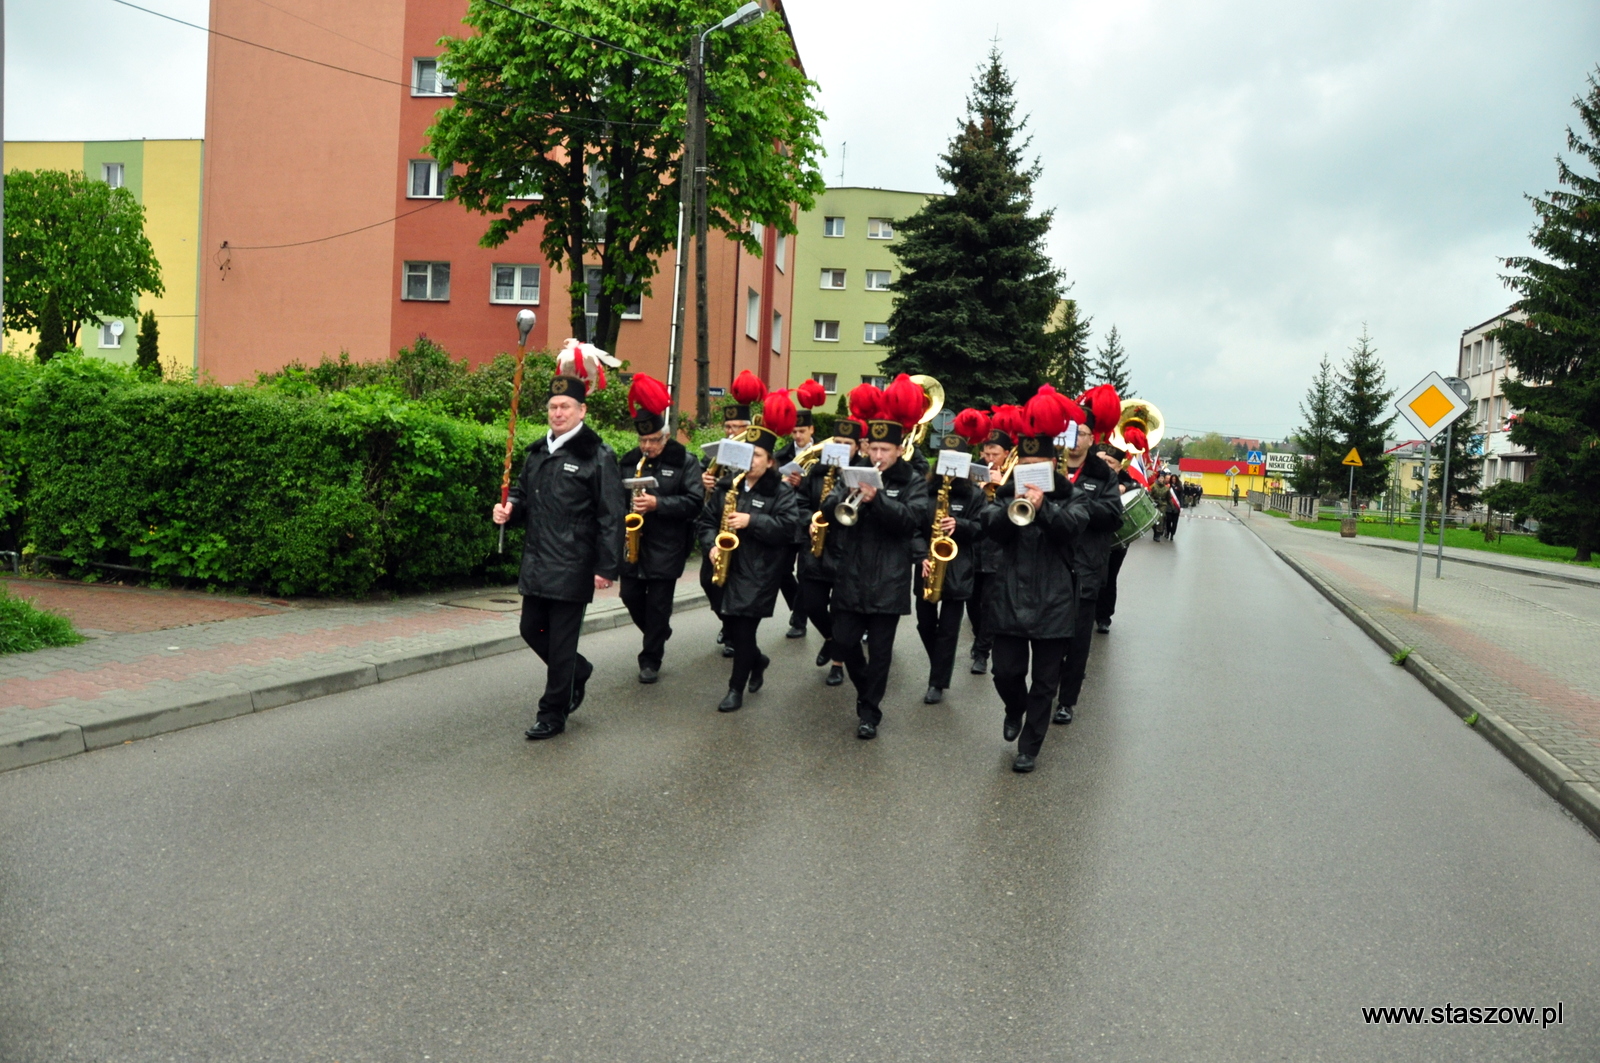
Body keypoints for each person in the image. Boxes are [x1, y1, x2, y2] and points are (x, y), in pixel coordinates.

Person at [492, 373, 625, 741]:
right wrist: (509, 509)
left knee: (561, 644)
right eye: (552, 407)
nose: (558, 412)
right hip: (537, 560)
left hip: (574, 563)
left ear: (582, 410)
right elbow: (521, 494)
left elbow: (611, 515)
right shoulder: (537, 453)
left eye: (565, 406)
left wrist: (605, 566)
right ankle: (576, 671)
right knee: (530, 630)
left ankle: (552, 713)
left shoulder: (597, 456)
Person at [979, 387, 1093, 772]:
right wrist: (1012, 506)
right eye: (1025, 461)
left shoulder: (1072, 496)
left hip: (1055, 600)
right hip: (1010, 596)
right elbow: (990, 527)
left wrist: (1044, 509)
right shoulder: (1006, 492)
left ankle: (1030, 747)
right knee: (1005, 671)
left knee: (1045, 682)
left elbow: (1072, 530)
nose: (1030, 468)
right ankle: (1015, 708)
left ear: (1052, 462)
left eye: (1038, 462)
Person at [821, 377, 929, 739]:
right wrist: (845, 495)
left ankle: (869, 711)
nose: (878, 457)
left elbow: (911, 520)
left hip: (889, 578)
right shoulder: (853, 472)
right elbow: (826, 508)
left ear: (899, 450)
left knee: (881, 652)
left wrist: (876, 499)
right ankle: (865, 686)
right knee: (844, 642)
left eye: (885, 450)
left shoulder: (913, 479)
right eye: (874, 449)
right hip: (851, 573)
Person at [696, 392, 804, 712]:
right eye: (747, 454)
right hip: (725, 569)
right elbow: (704, 523)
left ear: (770, 461)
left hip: (760, 572)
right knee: (734, 629)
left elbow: (788, 529)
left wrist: (751, 520)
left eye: (757, 455)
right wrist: (712, 544)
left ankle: (735, 690)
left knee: (742, 630)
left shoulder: (780, 491)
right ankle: (757, 661)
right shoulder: (729, 485)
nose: (751, 461)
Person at [618, 373, 705, 684]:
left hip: (668, 546)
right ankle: (659, 631)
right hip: (634, 546)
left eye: (654, 440)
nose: (647, 446)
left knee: (657, 605)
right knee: (629, 596)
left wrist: (659, 504)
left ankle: (650, 659)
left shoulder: (685, 461)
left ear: (666, 436)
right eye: (643, 440)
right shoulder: (630, 461)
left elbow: (695, 502)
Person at [1051, 389, 1128, 726]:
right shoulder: (1047, 466)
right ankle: (1044, 689)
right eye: (1067, 431)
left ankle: (1067, 700)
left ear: (1091, 437)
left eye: (1080, 433)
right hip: (1049, 565)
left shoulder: (1102, 475)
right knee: (1048, 636)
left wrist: (1076, 497)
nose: (1073, 439)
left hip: (1084, 568)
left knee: (1078, 638)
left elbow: (1113, 517)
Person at [915, 409, 989, 704]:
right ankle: (940, 666)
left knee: (948, 629)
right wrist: (920, 555)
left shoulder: (974, 495)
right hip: (927, 567)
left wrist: (961, 525)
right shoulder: (927, 490)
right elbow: (913, 528)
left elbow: (984, 527)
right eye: (946, 461)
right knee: (924, 624)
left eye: (956, 463)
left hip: (959, 569)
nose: (950, 468)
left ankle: (937, 682)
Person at [796, 416, 868, 687]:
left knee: (841, 610)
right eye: (836, 442)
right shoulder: (818, 470)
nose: (840, 448)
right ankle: (829, 639)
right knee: (812, 604)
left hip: (845, 551)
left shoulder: (864, 473)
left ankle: (837, 664)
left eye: (846, 443)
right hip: (816, 548)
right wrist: (808, 522)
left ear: (858, 446)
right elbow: (801, 501)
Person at [702, 370, 768, 657]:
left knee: (739, 591)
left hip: (749, 535)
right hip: (720, 531)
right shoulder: (719, 455)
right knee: (709, 581)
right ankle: (726, 622)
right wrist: (704, 484)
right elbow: (705, 506)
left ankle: (737, 639)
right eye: (728, 427)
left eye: (738, 427)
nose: (732, 433)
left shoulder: (758, 456)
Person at [969, 407, 1025, 676]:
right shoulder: (972, 473)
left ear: (1006, 454)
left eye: (995, 454)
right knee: (972, 602)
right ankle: (979, 639)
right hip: (972, 546)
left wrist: (1001, 484)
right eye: (986, 453)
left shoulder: (1013, 476)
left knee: (989, 603)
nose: (989, 458)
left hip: (997, 550)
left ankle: (982, 651)